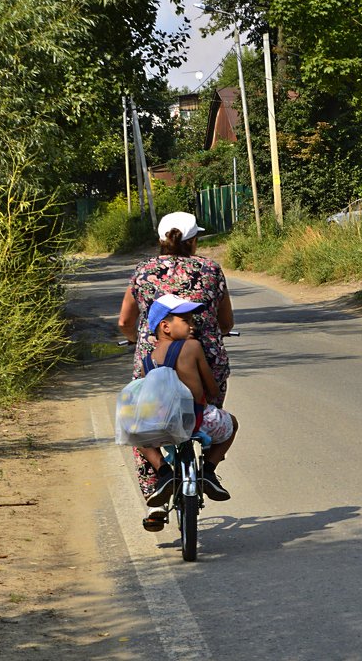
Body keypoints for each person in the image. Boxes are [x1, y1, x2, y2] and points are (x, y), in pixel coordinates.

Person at [118, 211, 234, 531]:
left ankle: (156, 495)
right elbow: (226, 323)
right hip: (207, 359)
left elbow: (126, 322)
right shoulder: (210, 269)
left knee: (143, 420)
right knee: (208, 410)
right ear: (194, 241)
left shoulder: (143, 272)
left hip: (152, 361)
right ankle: (208, 469)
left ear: (161, 241)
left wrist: (135, 341)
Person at [138, 293, 238, 509]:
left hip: (163, 427)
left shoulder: (148, 360)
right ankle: (208, 472)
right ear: (165, 326)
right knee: (233, 423)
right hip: (198, 422)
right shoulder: (192, 347)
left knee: (137, 433)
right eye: (186, 320)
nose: (192, 325)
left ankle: (164, 473)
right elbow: (211, 390)